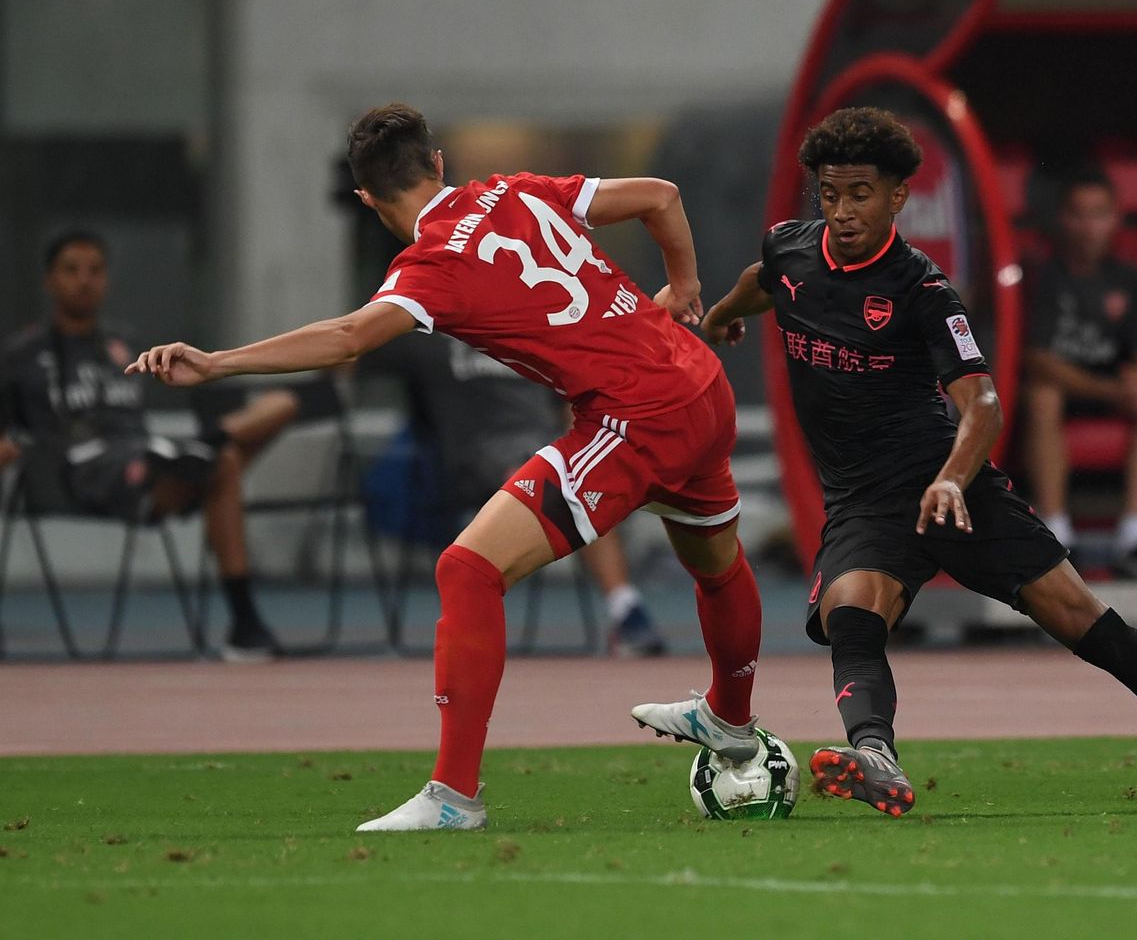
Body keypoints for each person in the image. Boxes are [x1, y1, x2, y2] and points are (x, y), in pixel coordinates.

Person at [126, 103, 765, 831]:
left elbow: (346, 338)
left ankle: (454, 798)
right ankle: (732, 720)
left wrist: (217, 364)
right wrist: (684, 288)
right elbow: (661, 195)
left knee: (468, 570)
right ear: (436, 163)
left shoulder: (431, 266)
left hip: (635, 415)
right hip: (702, 385)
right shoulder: (515, 188)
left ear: (367, 200)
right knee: (717, 567)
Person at [702, 107, 1137, 816]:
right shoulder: (791, 250)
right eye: (829, 194)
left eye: (860, 194)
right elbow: (762, 279)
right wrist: (722, 315)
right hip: (864, 501)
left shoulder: (922, 291)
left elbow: (983, 405)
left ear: (898, 197)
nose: (842, 211)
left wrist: (953, 476)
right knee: (851, 615)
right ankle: (876, 757)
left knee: (1086, 623)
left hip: (949, 485)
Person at [0, 231, 295, 662]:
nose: (84, 280)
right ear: (49, 280)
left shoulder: (122, 342)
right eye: (71, 270)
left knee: (274, 411)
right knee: (222, 463)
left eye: (95, 270)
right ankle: (245, 621)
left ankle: (203, 457)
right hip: (79, 475)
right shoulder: (23, 353)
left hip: (147, 462)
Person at [360, 331, 667, 656]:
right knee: (556, 480)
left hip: (546, 450)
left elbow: (571, 404)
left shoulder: (526, 326)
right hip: (474, 461)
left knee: (581, 477)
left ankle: (625, 609)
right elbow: (351, 351)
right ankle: (476, 612)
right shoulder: (428, 332)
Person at [1023, 167, 1137, 577]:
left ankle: (1136, 535)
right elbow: (1037, 359)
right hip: (1068, 390)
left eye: (1099, 214)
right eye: (1079, 214)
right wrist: (1111, 390)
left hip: (1113, 390)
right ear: (1062, 219)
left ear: (1115, 219)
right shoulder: (1042, 275)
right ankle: (1056, 535)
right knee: (1041, 394)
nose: (1088, 226)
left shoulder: (1129, 278)